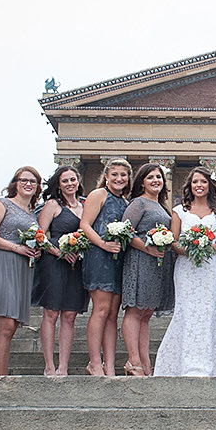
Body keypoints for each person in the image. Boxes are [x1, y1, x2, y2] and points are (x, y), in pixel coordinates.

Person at [156, 166, 216, 377]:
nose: (199, 185)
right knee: (186, 311)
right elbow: (174, 240)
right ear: (190, 185)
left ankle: (208, 365)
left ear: (209, 185)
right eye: (195, 182)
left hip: (209, 268)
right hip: (186, 267)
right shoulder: (179, 211)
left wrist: (205, 247)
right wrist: (190, 249)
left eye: (203, 182)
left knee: (207, 312)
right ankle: (180, 364)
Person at [0, 165, 44, 377]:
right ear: (15, 183)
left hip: (22, 269)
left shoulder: (31, 213)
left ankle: (2, 374)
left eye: (32, 181)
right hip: (2, 263)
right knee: (5, 325)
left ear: (37, 187)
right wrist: (17, 247)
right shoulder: (2, 204)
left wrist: (36, 251)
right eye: (24, 180)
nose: (28, 184)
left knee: (11, 327)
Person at [120, 163, 174, 376]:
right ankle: (133, 361)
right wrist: (147, 248)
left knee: (146, 313)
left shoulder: (160, 205)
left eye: (159, 177)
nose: (155, 181)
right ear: (142, 181)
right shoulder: (138, 203)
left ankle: (145, 364)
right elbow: (124, 231)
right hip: (140, 261)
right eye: (150, 177)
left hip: (157, 265)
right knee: (135, 310)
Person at [79, 158, 132, 376]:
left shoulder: (127, 203)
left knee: (112, 314)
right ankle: (94, 362)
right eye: (115, 174)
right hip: (99, 257)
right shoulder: (98, 195)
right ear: (107, 176)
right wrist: (102, 244)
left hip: (117, 260)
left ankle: (109, 365)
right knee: (100, 310)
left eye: (123, 175)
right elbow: (84, 224)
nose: (119, 178)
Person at [36, 165, 89, 376]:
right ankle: (49, 365)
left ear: (78, 181)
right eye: (65, 180)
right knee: (51, 313)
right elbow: (39, 235)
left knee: (70, 315)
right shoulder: (53, 204)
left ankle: (63, 366)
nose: (69, 184)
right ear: (58, 184)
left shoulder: (85, 204)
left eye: (72, 180)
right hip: (55, 262)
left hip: (77, 264)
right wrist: (58, 252)